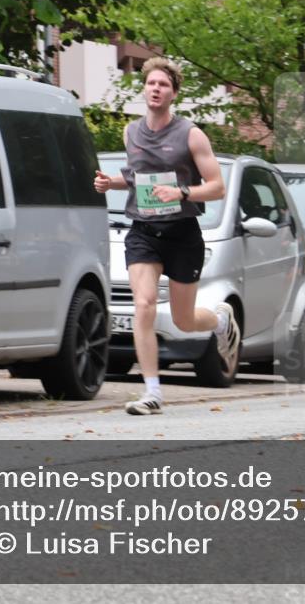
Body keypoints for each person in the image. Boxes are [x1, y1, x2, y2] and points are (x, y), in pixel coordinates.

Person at [94, 57, 240, 415]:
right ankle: (152, 391)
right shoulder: (131, 132)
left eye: (163, 85)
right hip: (143, 230)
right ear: (144, 88)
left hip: (182, 233)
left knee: (183, 320)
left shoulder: (191, 134)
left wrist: (182, 193)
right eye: (151, 83)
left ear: (174, 93)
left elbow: (217, 187)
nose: (156, 89)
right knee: (143, 305)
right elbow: (135, 177)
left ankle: (221, 321)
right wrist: (109, 183)